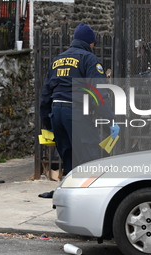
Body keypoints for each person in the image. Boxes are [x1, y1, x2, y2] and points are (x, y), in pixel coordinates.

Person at [39, 24, 119, 198]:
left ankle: (68, 193)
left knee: (68, 156)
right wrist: (111, 120)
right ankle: (92, 195)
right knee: (90, 155)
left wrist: (48, 123)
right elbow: (99, 92)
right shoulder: (89, 59)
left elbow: (46, 94)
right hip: (74, 113)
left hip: (56, 113)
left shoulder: (58, 59)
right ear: (90, 43)